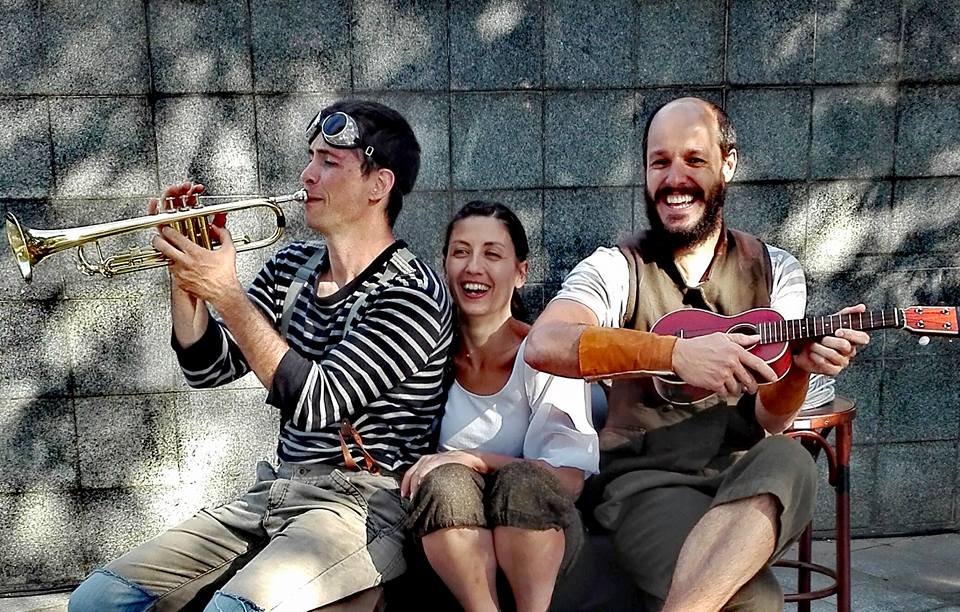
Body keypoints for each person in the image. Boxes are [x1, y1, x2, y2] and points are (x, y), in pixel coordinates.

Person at [69, 100, 453, 612]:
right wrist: (186, 277)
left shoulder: (411, 292)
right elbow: (208, 367)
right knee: (98, 601)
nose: (306, 174)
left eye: (328, 163)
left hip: (361, 506)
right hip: (275, 490)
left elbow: (319, 399)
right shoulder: (292, 264)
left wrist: (226, 292)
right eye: (311, 157)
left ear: (378, 185)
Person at [524, 96, 869, 612]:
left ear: (727, 164)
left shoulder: (776, 271)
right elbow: (545, 343)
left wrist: (797, 370)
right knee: (755, 602)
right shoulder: (617, 268)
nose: (674, 178)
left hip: (743, 479)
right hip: (645, 487)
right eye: (659, 162)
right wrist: (676, 355)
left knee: (789, 457)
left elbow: (772, 418)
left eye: (694, 159)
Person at [398, 201, 599, 612]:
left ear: (520, 272)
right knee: (446, 482)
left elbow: (568, 479)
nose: (474, 267)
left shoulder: (544, 353)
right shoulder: (425, 355)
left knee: (521, 483)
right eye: (460, 252)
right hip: (450, 545)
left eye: (492, 254)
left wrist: (474, 458)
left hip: (543, 537)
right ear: (445, 266)